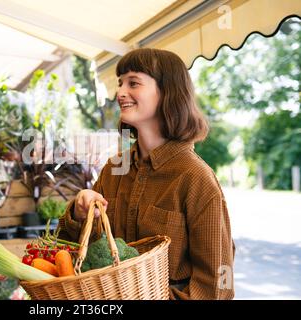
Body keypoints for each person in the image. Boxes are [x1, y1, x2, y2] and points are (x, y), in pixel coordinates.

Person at [59, 48, 235, 300]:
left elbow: (216, 288)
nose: (120, 93)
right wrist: (79, 212)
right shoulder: (113, 170)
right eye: (120, 83)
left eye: (133, 83)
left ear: (167, 92)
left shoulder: (196, 178)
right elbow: (70, 252)